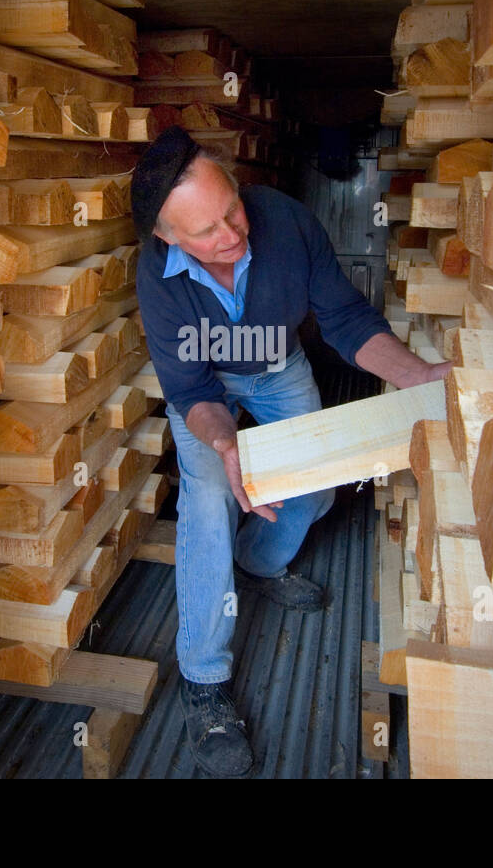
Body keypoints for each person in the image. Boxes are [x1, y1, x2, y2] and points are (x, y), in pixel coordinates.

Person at [132, 127, 453, 776]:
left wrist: (416, 374)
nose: (231, 234)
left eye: (232, 211)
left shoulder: (286, 221)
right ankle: (204, 679)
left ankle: (261, 562)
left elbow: (346, 320)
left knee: (315, 483)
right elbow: (190, 388)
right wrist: (224, 442)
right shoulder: (156, 276)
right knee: (211, 497)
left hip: (276, 364)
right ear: (167, 238)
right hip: (205, 385)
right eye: (206, 231)